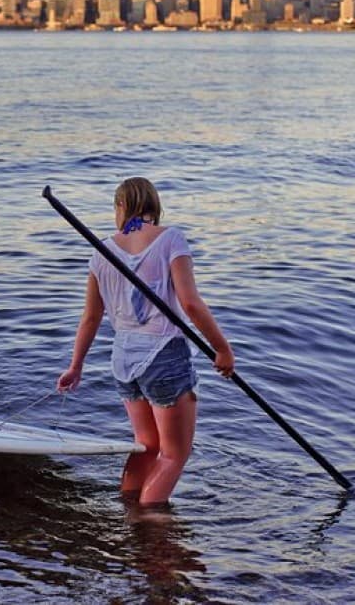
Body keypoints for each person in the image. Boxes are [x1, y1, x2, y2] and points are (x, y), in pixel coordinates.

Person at [56, 177, 234, 506]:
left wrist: (75, 365)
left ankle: (128, 510)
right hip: (164, 355)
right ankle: (148, 521)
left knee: (147, 446)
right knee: (173, 455)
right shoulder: (171, 239)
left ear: (121, 207)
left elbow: (91, 317)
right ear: (154, 205)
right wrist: (222, 348)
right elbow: (191, 303)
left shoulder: (102, 252)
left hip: (124, 361)